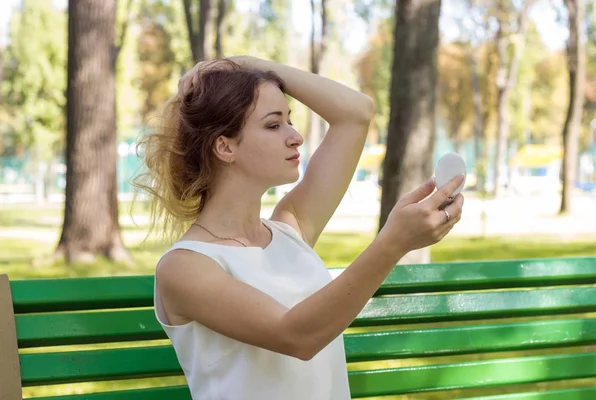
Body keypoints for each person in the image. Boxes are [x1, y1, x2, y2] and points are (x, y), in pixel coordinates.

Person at [135, 55, 464, 400]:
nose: (296, 137)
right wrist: (393, 243)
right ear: (225, 146)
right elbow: (297, 336)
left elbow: (356, 113)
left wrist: (242, 64)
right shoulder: (186, 267)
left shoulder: (290, 227)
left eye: (289, 121)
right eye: (274, 125)